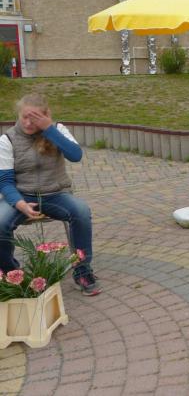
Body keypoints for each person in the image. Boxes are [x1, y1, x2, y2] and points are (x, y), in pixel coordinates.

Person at [0, 93, 101, 296]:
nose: (28, 123)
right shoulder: (7, 139)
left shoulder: (58, 130)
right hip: (22, 196)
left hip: (56, 194)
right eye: (24, 117)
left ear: (45, 116)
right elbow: (5, 181)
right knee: (0, 223)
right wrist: (19, 203)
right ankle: (11, 274)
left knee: (81, 211)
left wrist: (49, 129)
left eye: (34, 118)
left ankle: (82, 271)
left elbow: (75, 155)